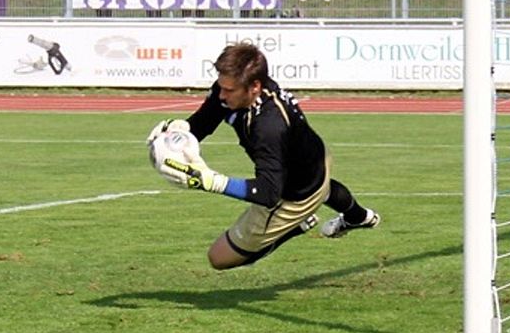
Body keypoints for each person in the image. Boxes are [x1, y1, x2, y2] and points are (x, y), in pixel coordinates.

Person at [149, 42, 380, 269]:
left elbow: (269, 193)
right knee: (324, 187)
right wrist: (180, 132)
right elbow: (206, 120)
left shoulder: (267, 127)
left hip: (294, 195)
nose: (221, 95)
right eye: (220, 86)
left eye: (229, 90)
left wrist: (213, 182)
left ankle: (296, 225)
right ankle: (358, 217)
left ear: (254, 87)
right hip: (316, 156)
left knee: (219, 258)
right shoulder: (239, 86)